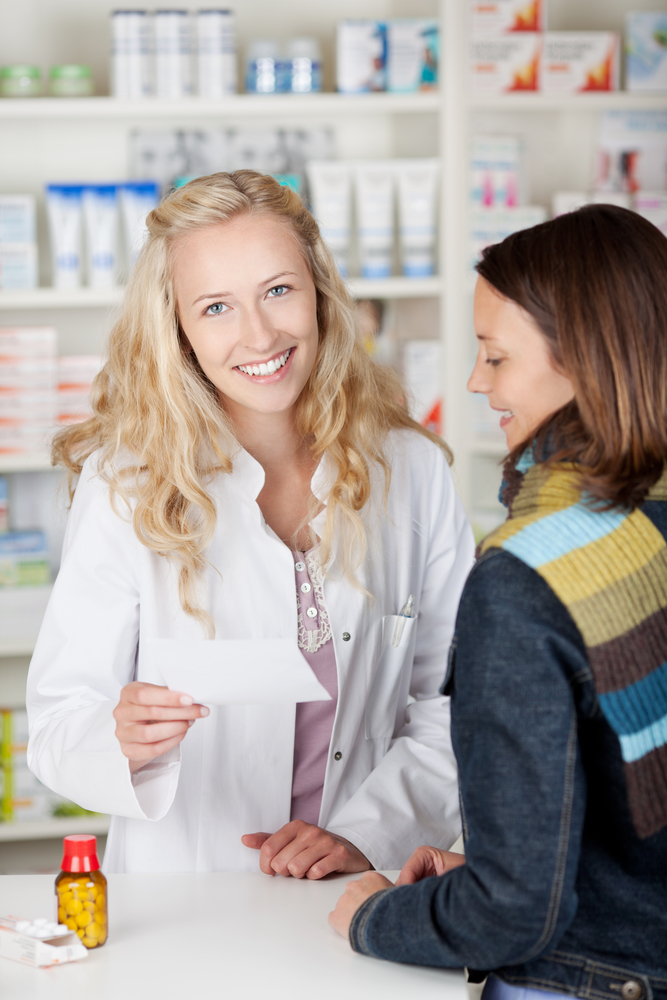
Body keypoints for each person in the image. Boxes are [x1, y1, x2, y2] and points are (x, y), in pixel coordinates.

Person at [26, 171, 474, 876]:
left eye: (277, 290)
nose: (258, 334)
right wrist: (124, 741)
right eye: (215, 308)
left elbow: (453, 699)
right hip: (186, 898)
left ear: (319, 295)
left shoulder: (411, 470)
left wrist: (367, 833)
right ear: (175, 327)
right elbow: (57, 726)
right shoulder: (126, 485)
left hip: (364, 889)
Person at [330, 205, 667, 994]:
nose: (478, 381)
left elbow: (515, 914)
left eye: (494, 356)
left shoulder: (527, 579)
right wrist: (491, 865)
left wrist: (374, 916)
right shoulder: (649, 523)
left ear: (583, 360)